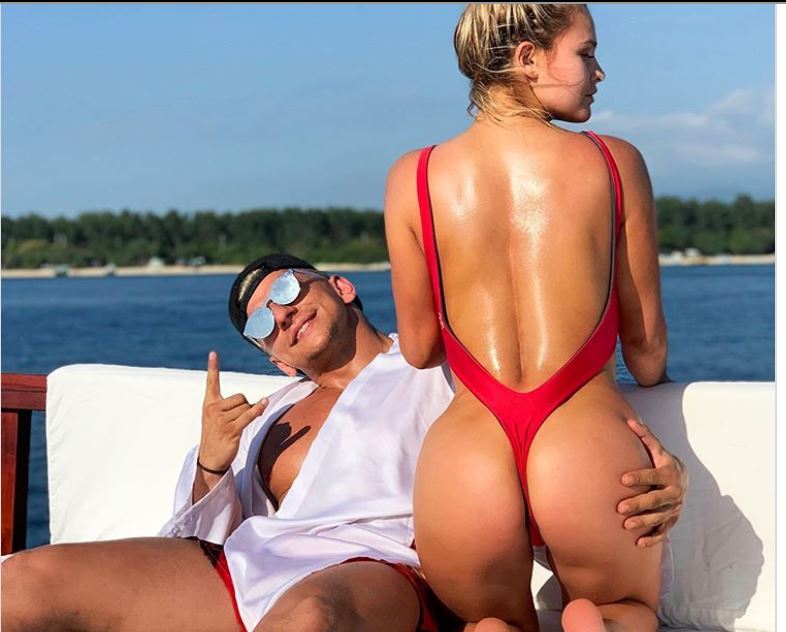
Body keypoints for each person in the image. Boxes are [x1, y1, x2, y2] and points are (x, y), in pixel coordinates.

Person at [1, 253, 684, 632]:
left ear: (341, 286)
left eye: (287, 289)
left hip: (385, 569)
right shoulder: (269, 415)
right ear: (275, 360)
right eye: (262, 326)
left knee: (310, 620)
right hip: (246, 567)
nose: (282, 314)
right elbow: (204, 533)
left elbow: (565, 405)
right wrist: (212, 461)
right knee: (26, 582)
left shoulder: (443, 366)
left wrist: (662, 471)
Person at [385, 4, 676, 632]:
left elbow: (419, 347)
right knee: (623, 613)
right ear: (527, 58)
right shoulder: (613, 162)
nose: (599, 72)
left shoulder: (413, 176)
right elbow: (647, 351)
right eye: (586, 53)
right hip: (581, 439)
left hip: (467, 454)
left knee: (491, 624)